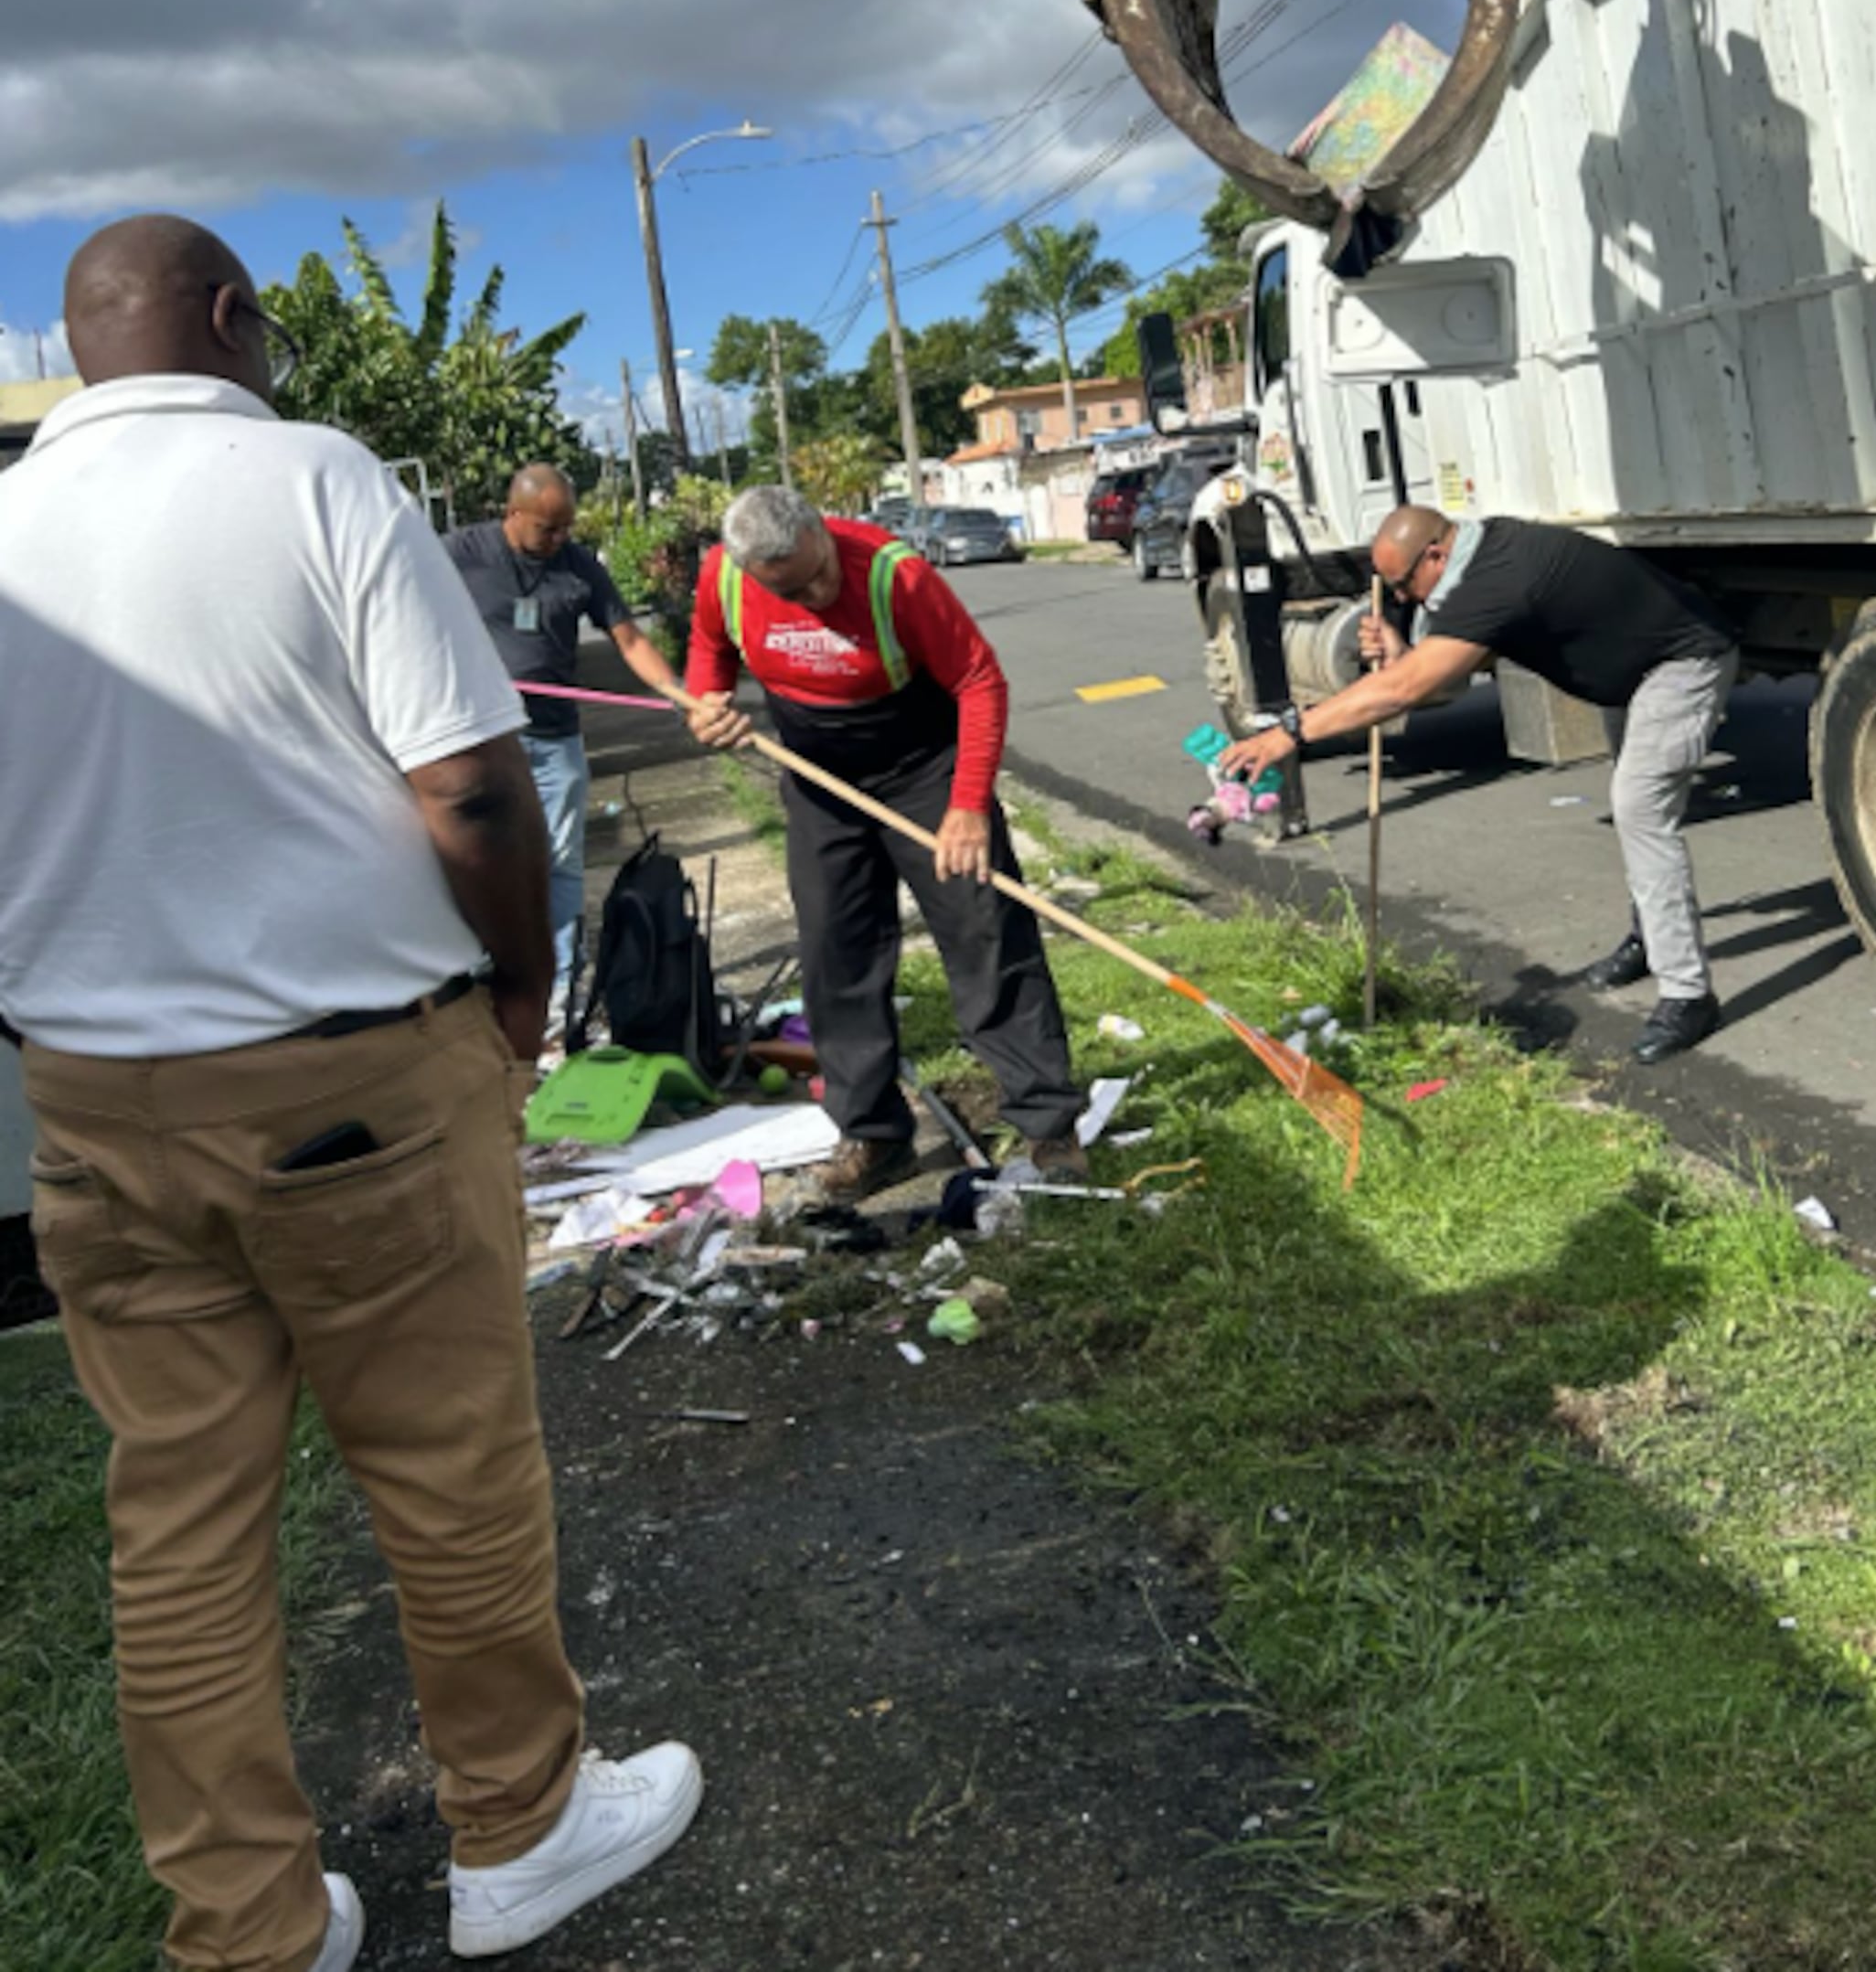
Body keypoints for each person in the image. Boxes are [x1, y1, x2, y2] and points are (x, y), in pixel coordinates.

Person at [0, 217, 701, 1972]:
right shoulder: (315, 478)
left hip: (93, 1095)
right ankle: (520, 1828)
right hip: (353, 1079)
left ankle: (241, 1921)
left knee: (178, 1521)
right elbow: (466, 785)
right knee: (449, 1470)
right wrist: (524, 998)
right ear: (232, 320)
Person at [1220, 506, 1741, 1064]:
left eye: (1403, 585)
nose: (1405, 598)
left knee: (1639, 807)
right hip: (1632, 673)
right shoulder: (1474, 558)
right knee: (1638, 815)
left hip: (1683, 662)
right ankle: (1650, 942)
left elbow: (1405, 691)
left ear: (1436, 556)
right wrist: (1403, 656)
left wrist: (1291, 733)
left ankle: (1689, 995)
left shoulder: (1499, 577)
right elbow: (1447, 677)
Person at [684, 486, 1086, 1199]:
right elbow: (709, 656)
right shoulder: (723, 576)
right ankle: (871, 1133)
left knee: (984, 931)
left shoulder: (891, 574)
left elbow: (979, 680)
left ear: (821, 531)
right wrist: (707, 704)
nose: (815, 594)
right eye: (793, 589)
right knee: (837, 952)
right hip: (819, 781)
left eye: (819, 573)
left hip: (921, 768)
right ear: (750, 572)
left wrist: (966, 807)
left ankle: (1047, 1122)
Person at [445, 467, 684, 1025]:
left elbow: (628, 638)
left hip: (554, 738)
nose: (559, 540)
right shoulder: (460, 552)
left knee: (559, 863)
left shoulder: (578, 567)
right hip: (483, 737)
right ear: (513, 514)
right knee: (478, 857)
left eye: (566, 529)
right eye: (547, 529)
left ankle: (557, 1001)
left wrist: (679, 693)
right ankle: (479, 988)